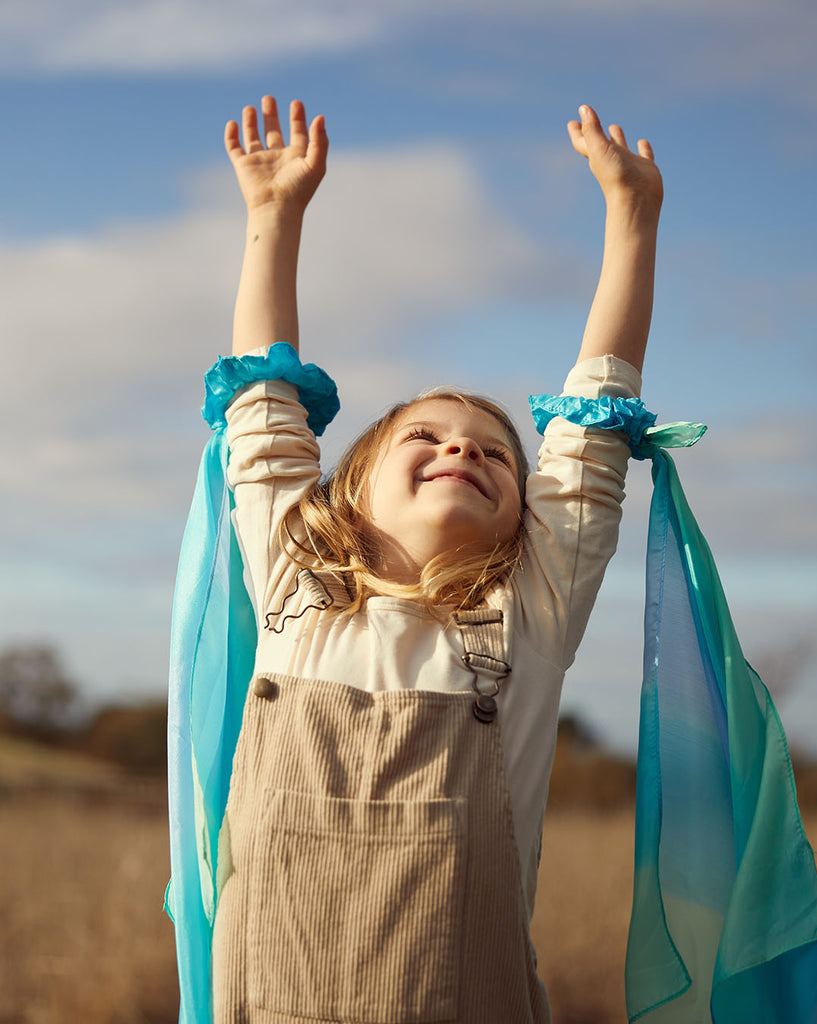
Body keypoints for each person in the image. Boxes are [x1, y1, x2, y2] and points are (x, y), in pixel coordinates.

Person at [191, 96, 663, 1023]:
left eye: (494, 452)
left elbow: (593, 422)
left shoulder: (530, 607)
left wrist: (630, 218)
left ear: (529, 515)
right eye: (428, 436)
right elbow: (262, 407)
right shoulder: (294, 579)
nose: (464, 451)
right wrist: (272, 216)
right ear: (349, 487)